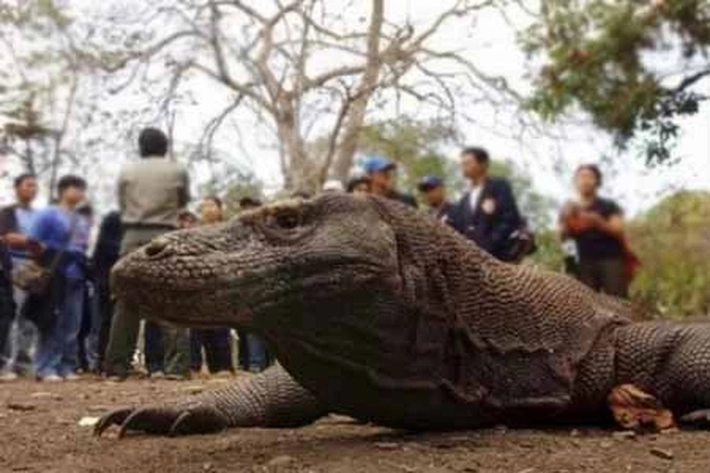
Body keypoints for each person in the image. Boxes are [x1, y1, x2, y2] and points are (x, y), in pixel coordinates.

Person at [104, 127, 191, 380]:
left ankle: (116, 367)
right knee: (174, 299)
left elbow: (121, 204)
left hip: (132, 236)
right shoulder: (177, 170)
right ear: (164, 147)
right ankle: (176, 367)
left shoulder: (127, 171)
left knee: (126, 301)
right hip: (165, 235)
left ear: (140, 146)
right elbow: (183, 201)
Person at [28, 175, 88, 381]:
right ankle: (46, 366)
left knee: (73, 323)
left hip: (77, 274)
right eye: (76, 188)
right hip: (55, 274)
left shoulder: (81, 219)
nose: (80, 193)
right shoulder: (49, 214)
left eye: (82, 189)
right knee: (52, 321)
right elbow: (33, 241)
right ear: (63, 190)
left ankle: (66, 365)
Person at [559, 164, 637, 298]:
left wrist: (597, 222)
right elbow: (565, 239)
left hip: (611, 260)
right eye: (581, 177)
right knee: (585, 306)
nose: (585, 180)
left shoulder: (609, 206)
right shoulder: (568, 208)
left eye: (589, 176)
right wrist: (570, 265)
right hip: (582, 262)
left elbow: (619, 229)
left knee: (618, 303)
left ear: (597, 181)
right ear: (575, 182)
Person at [447, 147, 522, 262]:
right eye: (461, 164)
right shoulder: (464, 199)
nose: (463, 167)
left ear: (483, 164)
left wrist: (490, 244)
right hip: (471, 260)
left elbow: (510, 218)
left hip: (499, 258)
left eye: (467, 163)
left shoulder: (499, 186)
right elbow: (456, 227)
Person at [0, 173, 39, 380]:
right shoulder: (7, 212)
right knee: (10, 315)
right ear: (17, 188)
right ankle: (6, 362)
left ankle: (23, 363)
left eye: (34, 186)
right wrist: (33, 241)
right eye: (28, 185)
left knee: (30, 318)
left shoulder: (38, 215)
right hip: (13, 265)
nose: (32, 189)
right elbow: (8, 238)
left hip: (35, 268)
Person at [189, 197, 234, 377]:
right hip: (198, 284)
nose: (207, 209)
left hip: (221, 284)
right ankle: (194, 366)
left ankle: (223, 366)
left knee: (220, 327)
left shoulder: (229, 230)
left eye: (212, 205)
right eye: (204, 206)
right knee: (196, 329)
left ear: (220, 209)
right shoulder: (195, 232)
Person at [237, 197, 270, 373]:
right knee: (250, 330)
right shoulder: (236, 235)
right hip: (246, 291)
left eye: (252, 208)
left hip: (268, 289)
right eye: (244, 208)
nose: (247, 212)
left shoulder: (272, 232)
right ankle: (254, 364)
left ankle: (265, 365)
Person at [92, 211, 122, 373]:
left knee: (117, 320)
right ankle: (103, 360)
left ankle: (116, 360)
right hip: (108, 278)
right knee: (108, 320)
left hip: (121, 278)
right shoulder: (113, 218)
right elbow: (106, 247)